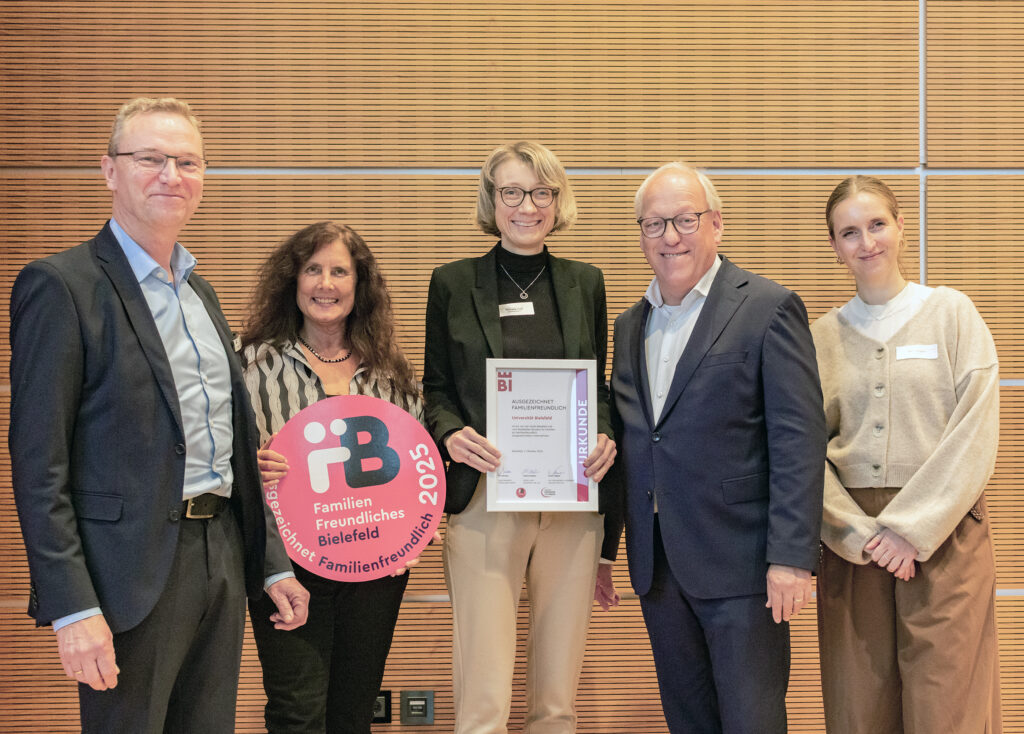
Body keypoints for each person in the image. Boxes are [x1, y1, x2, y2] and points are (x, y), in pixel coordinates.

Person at [8, 97, 309, 733]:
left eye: (187, 162)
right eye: (150, 158)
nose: (172, 175)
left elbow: (230, 441)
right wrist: (72, 606)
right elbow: (39, 462)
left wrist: (271, 561)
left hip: (219, 555)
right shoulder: (61, 286)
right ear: (109, 170)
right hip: (126, 573)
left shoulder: (201, 292)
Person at [607, 162, 826, 733]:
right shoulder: (630, 325)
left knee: (753, 722)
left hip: (743, 566)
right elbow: (633, 444)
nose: (670, 237)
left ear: (716, 223)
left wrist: (792, 557)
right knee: (687, 722)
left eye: (685, 219)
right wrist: (608, 549)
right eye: (654, 224)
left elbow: (798, 439)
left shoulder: (768, 307)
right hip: (658, 567)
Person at [422, 141, 619, 733]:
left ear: (557, 201)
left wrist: (604, 433)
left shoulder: (585, 282)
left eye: (540, 192)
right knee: (483, 694)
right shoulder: (453, 282)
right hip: (485, 495)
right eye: (511, 192)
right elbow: (436, 388)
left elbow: (597, 386)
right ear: (492, 199)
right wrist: (450, 434)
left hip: (571, 501)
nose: (526, 206)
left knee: (557, 698)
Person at [813, 175, 1001, 733]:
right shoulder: (819, 338)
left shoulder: (952, 313)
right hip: (854, 545)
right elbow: (801, 450)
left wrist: (911, 529)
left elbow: (975, 428)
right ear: (834, 246)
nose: (866, 241)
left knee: (948, 705)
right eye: (849, 232)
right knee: (858, 705)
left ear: (900, 226)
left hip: (946, 535)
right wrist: (852, 531)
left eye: (877, 224)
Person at [239, 220, 423, 733]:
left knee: (354, 711)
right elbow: (216, 456)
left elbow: (417, 469)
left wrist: (415, 527)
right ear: (292, 281)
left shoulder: (392, 372)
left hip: (375, 569)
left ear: (359, 286)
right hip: (284, 566)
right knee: (297, 712)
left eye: (340, 272)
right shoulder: (249, 363)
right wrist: (248, 466)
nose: (326, 284)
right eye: (313, 270)